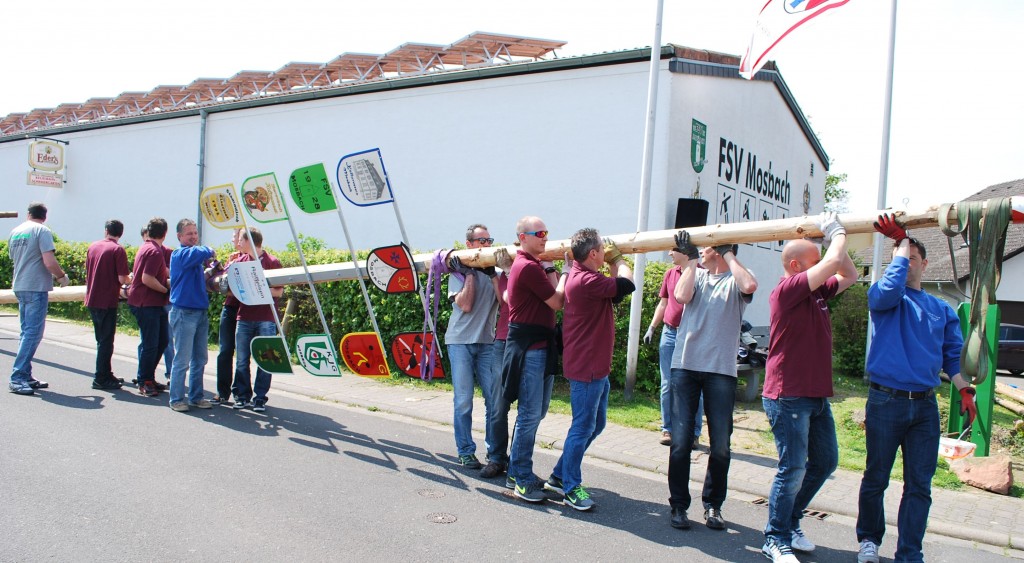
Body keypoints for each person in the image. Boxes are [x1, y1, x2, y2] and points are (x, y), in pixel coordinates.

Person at [855, 215, 977, 563]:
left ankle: (909, 552)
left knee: (920, 486)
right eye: (899, 260)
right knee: (876, 476)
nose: (905, 264)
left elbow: (951, 356)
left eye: (911, 259)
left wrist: (964, 390)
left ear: (924, 263)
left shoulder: (941, 309)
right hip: (886, 400)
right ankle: (869, 542)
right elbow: (891, 287)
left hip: (923, 407)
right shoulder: (884, 297)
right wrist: (901, 244)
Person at [760, 213, 857, 563]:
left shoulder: (817, 293)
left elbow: (848, 273)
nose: (825, 267)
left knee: (826, 461)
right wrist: (837, 234)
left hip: (815, 395)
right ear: (797, 265)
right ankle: (775, 537)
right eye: (815, 262)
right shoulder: (788, 290)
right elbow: (833, 261)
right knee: (793, 467)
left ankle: (789, 521)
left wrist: (834, 239)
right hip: (789, 395)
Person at [667, 232, 757, 531]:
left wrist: (730, 253)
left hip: (720, 371)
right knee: (680, 443)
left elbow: (750, 286)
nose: (702, 250)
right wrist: (691, 261)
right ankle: (679, 505)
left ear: (719, 249)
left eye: (707, 247)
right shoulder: (697, 275)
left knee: (720, 446)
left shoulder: (735, 278)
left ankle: (713, 505)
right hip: (686, 367)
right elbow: (680, 297)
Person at [545, 229, 635, 510]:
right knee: (582, 427)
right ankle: (571, 487)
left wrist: (611, 262)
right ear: (594, 253)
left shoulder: (583, 277)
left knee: (595, 425)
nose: (605, 252)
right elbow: (626, 285)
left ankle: (560, 475)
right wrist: (619, 258)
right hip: (588, 368)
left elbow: (616, 292)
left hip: (595, 367)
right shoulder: (585, 280)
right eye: (602, 248)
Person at [501, 216, 567, 502]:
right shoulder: (527, 266)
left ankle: (517, 471)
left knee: (535, 413)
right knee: (529, 414)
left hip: (539, 345)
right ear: (522, 237)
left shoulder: (532, 265)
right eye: (538, 232)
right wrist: (566, 273)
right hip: (531, 348)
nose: (544, 237)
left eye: (546, 232)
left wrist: (553, 269)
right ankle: (522, 479)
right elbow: (558, 302)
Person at [444, 224, 500, 469]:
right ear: (469, 245)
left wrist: (493, 273)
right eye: (481, 240)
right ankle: (465, 451)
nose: (486, 244)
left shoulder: (493, 272)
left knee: (494, 400)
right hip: (459, 343)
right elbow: (465, 305)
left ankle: (494, 453)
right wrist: (468, 274)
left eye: (489, 240)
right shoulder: (456, 273)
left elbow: (506, 301)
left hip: (487, 342)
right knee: (464, 401)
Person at [7, 202, 69, 395]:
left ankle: (25, 374)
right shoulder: (42, 230)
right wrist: (61, 276)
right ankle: (17, 377)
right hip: (35, 287)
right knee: (33, 333)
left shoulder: (16, 231)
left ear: (28, 214)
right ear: (45, 216)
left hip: (20, 285)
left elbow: (14, 258)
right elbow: (49, 261)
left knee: (26, 332)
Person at [645, 246, 704, 448]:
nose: (669, 254)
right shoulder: (670, 273)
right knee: (667, 384)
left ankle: (693, 434)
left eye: (672, 250)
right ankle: (667, 429)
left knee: (695, 386)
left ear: (685, 252)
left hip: (692, 336)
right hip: (669, 333)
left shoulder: (701, 272)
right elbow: (663, 303)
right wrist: (652, 327)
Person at [167, 218, 216, 412]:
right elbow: (202, 251)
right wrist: (210, 250)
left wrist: (211, 271)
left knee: (200, 358)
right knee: (182, 359)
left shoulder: (192, 259)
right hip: (184, 312)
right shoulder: (180, 254)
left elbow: (199, 277)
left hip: (199, 312)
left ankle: (196, 397)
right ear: (179, 236)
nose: (194, 237)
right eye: (189, 234)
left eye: (195, 233)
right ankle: (176, 399)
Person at [232, 227, 283, 412]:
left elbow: (279, 291)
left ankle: (260, 397)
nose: (238, 242)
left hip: (266, 318)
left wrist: (257, 287)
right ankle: (242, 396)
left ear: (250, 241)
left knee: (266, 360)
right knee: (241, 359)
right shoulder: (239, 262)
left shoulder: (272, 262)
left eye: (241, 239)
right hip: (244, 316)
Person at [84, 219, 130, 390]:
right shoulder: (117, 250)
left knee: (101, 339)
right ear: (121, 233)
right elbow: (122, 278)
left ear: (106, 231)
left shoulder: (93, 246)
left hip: (92, 298)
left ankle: (106, 372)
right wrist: (130, 279)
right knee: (106, 341)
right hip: (107, 300)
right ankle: (100, 377)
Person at [128, 218, 170, 397]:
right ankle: (144, 379)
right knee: (151, 344)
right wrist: (165, 290)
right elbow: (147, 278)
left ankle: (148, 376)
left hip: (150, 303)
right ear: (165, 233)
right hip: (146, 303)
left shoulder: (147, 247)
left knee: (162, 341)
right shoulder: (154, 251)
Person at [482, 247, 515, 480]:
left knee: (530, 411)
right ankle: (496, 458)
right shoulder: (506, 274)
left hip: (529, 343)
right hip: (503, 340)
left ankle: (519, 461)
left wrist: (509, 271)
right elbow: (505, 302)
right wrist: (497, 275)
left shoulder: (539, 269)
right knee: (497, 405)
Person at [214, 228, 245, 404]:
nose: (233, 239)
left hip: (246, 311)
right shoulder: (232, 258)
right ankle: (222, 391)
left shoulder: (254, 258)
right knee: (225, 350)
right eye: (234, 236)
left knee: (242, 354)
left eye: (236, 236)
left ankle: (241, 393)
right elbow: (224, 284)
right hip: (230, 307)